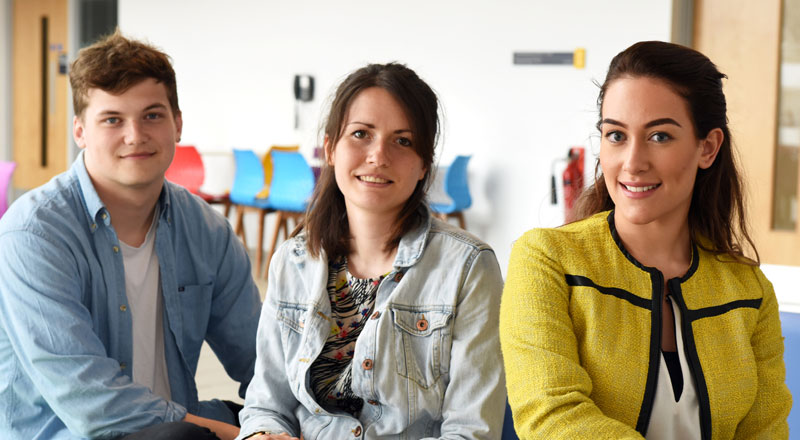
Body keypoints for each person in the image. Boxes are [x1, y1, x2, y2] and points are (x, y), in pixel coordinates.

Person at [500, 41, 792, 439]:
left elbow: (766, 431)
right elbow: (551, 416)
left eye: (659, 137)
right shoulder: (547, 260)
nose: (632, 163)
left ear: (708, 148)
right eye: (616, 135)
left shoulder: (749, 290)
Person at [0, 31, 262, 440]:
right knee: (192, 435)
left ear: (177, 124)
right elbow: (93, 402)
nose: (135, 135)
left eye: (152, 115)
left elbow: (262, 361)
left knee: (270, 415)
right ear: (80, 131)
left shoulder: (206, 230)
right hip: (70, 432)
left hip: (170, 426)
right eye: (112, 119)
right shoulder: (33, 233)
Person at [236, 63, 506, 439]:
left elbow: (471, 430)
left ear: (423, 165)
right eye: (361, 134)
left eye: (403, 141)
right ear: (330, 148)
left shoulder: (468, 268)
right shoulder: (293, 261)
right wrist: (263, 434)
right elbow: (266, 404)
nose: (378, 156)